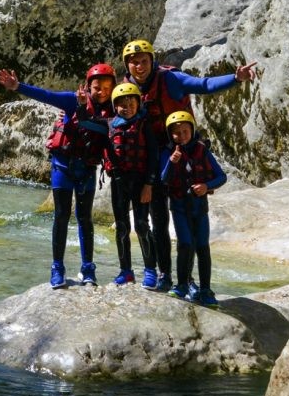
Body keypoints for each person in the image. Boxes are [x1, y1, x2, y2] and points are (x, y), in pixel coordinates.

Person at [121, 39, 256, 291]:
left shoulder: (170, 80)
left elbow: (203, 85)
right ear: (127, 66)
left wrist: (235, 79)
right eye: (133, 62)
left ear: (152, 61)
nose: (139, 66)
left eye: (143, 61)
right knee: (158, 221)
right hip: (155, 158)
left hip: (182, 154)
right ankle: (165, 274)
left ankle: (190, 280)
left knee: (190, 225)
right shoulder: (126, 88)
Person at [0, 64, 115, 288]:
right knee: (61, 216)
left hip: (87, 169)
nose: (103, 92)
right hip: (63, 166)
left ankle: (88, 268)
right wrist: (17, 86)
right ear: (88, 87)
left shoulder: (115, 109)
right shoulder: (72, 100)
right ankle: (57, 268)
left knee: (85, 218)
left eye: (108, 88)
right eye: (97, 87)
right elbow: (46, 95)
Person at [160, 111, 227, 307]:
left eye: (185, 131)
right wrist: (172, 162)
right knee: (185, 244)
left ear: (192, 130)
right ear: (170, 134)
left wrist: (207, 186)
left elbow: (221, 177)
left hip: (199, 208)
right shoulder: (169, 152)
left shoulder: (202, 150)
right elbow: (164, 179)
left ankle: (206, 289)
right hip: (179, 207)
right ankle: (181, 285)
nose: (181, 136)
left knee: (202, 247)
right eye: (176, 133)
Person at [104, 82, 159, 288]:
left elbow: (153, 157)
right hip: (118, 182)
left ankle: (151, 270)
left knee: (142, 225)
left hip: (140, 182)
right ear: (114, 106)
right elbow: (84, 121)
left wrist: (149, 184)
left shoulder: (145, 126)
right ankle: (126, 271)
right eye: (121, 104)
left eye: (131, 102)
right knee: (121, 228)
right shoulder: (109, 125)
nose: (127, 107)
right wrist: (82, 103)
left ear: (139, 103)